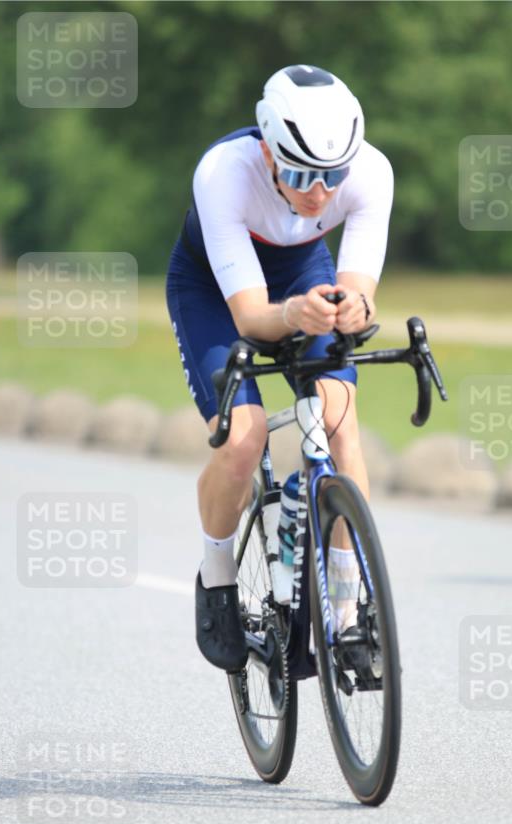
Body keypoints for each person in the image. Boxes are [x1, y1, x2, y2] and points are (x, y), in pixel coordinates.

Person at [166, 64, 394, 673]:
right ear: (268, 149)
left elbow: (358, 288)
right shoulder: (224, 173)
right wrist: (293, 313)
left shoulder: (372, 172)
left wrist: (351, 309)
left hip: (300, 274)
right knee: (244, 439)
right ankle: (217, 581)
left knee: (341, 423)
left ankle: (345, 613)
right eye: (298, 175)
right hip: (215, 293)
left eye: (332, 177)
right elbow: (250, 317)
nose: (318, 195)